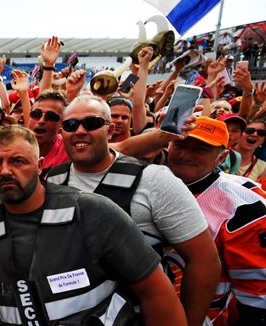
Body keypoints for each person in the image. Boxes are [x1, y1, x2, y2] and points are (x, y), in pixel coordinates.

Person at [0, 125, 186, 325]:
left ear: (40, 166)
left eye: (18, 161)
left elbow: (157, 294)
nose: (5, 171)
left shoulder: (94, 213)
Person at [47, 95, 220, 326]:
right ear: (62, 133)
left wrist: (189, 321)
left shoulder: (154, 180)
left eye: (92, 123)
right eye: (70, 125)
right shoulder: (55, 178)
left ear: (109, 132)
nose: (79, 131)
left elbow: (204, 260)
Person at [167, 116, 266, 325]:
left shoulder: (242, 205)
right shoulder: (145, 181)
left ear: (222, 158)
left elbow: (255, 292)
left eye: (201, 149)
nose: (185, 155)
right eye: (180, 144)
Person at [26, 90, 69, 178]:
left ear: (62, 124)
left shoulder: (70, 150)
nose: (41, 121)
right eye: (36, 114)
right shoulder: (13, 146)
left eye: (51, 116)